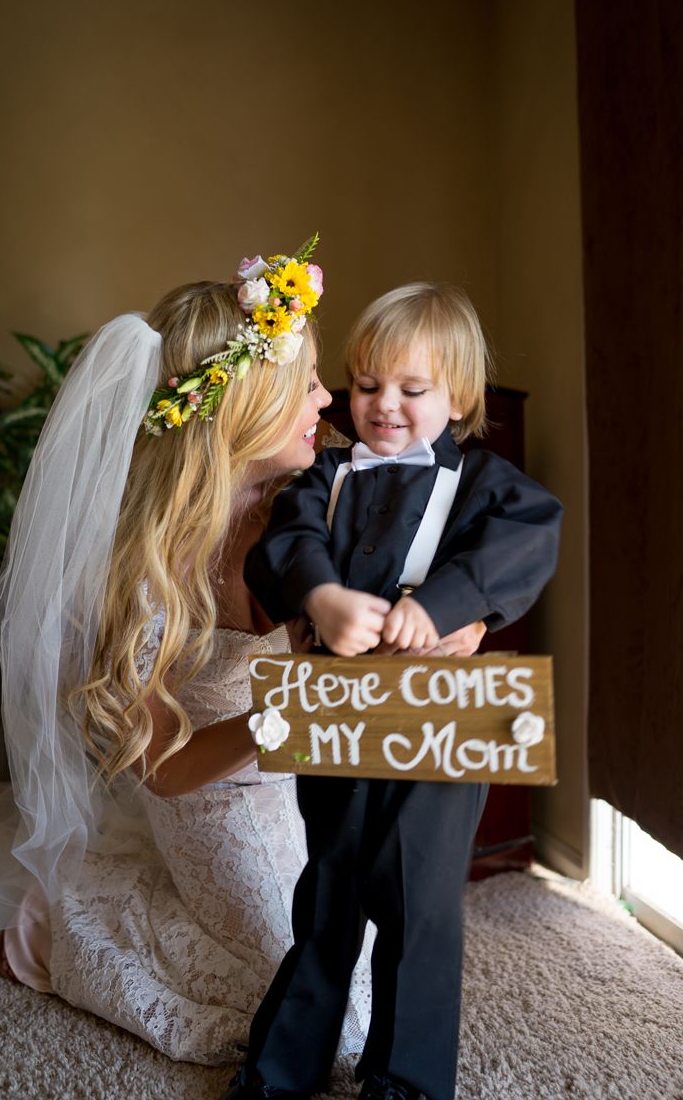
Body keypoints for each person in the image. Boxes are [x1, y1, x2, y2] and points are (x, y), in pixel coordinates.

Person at [0, 238, 384, 1064]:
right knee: (329, 1025)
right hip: (205, 811)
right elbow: (169, 770)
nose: (327, 399)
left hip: (298, 800)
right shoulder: (138, 568)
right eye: (305, 384)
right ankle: (80, 920)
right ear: (245, 404)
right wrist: (289, 718)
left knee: (381, 966)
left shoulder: (319, 502)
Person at [235, 283, 564, 1100]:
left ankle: (406, 1081)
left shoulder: (484, 481)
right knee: (329, 891)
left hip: (439, 730)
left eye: (412, 391)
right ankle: (283, 1068)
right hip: (340, 718)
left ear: (457, 397)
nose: (384, 407)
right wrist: (319, 596)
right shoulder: (327, 475)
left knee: (419, 907)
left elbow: (528, 539)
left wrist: (447, 606)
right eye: (368, 384)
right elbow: (284, 541)